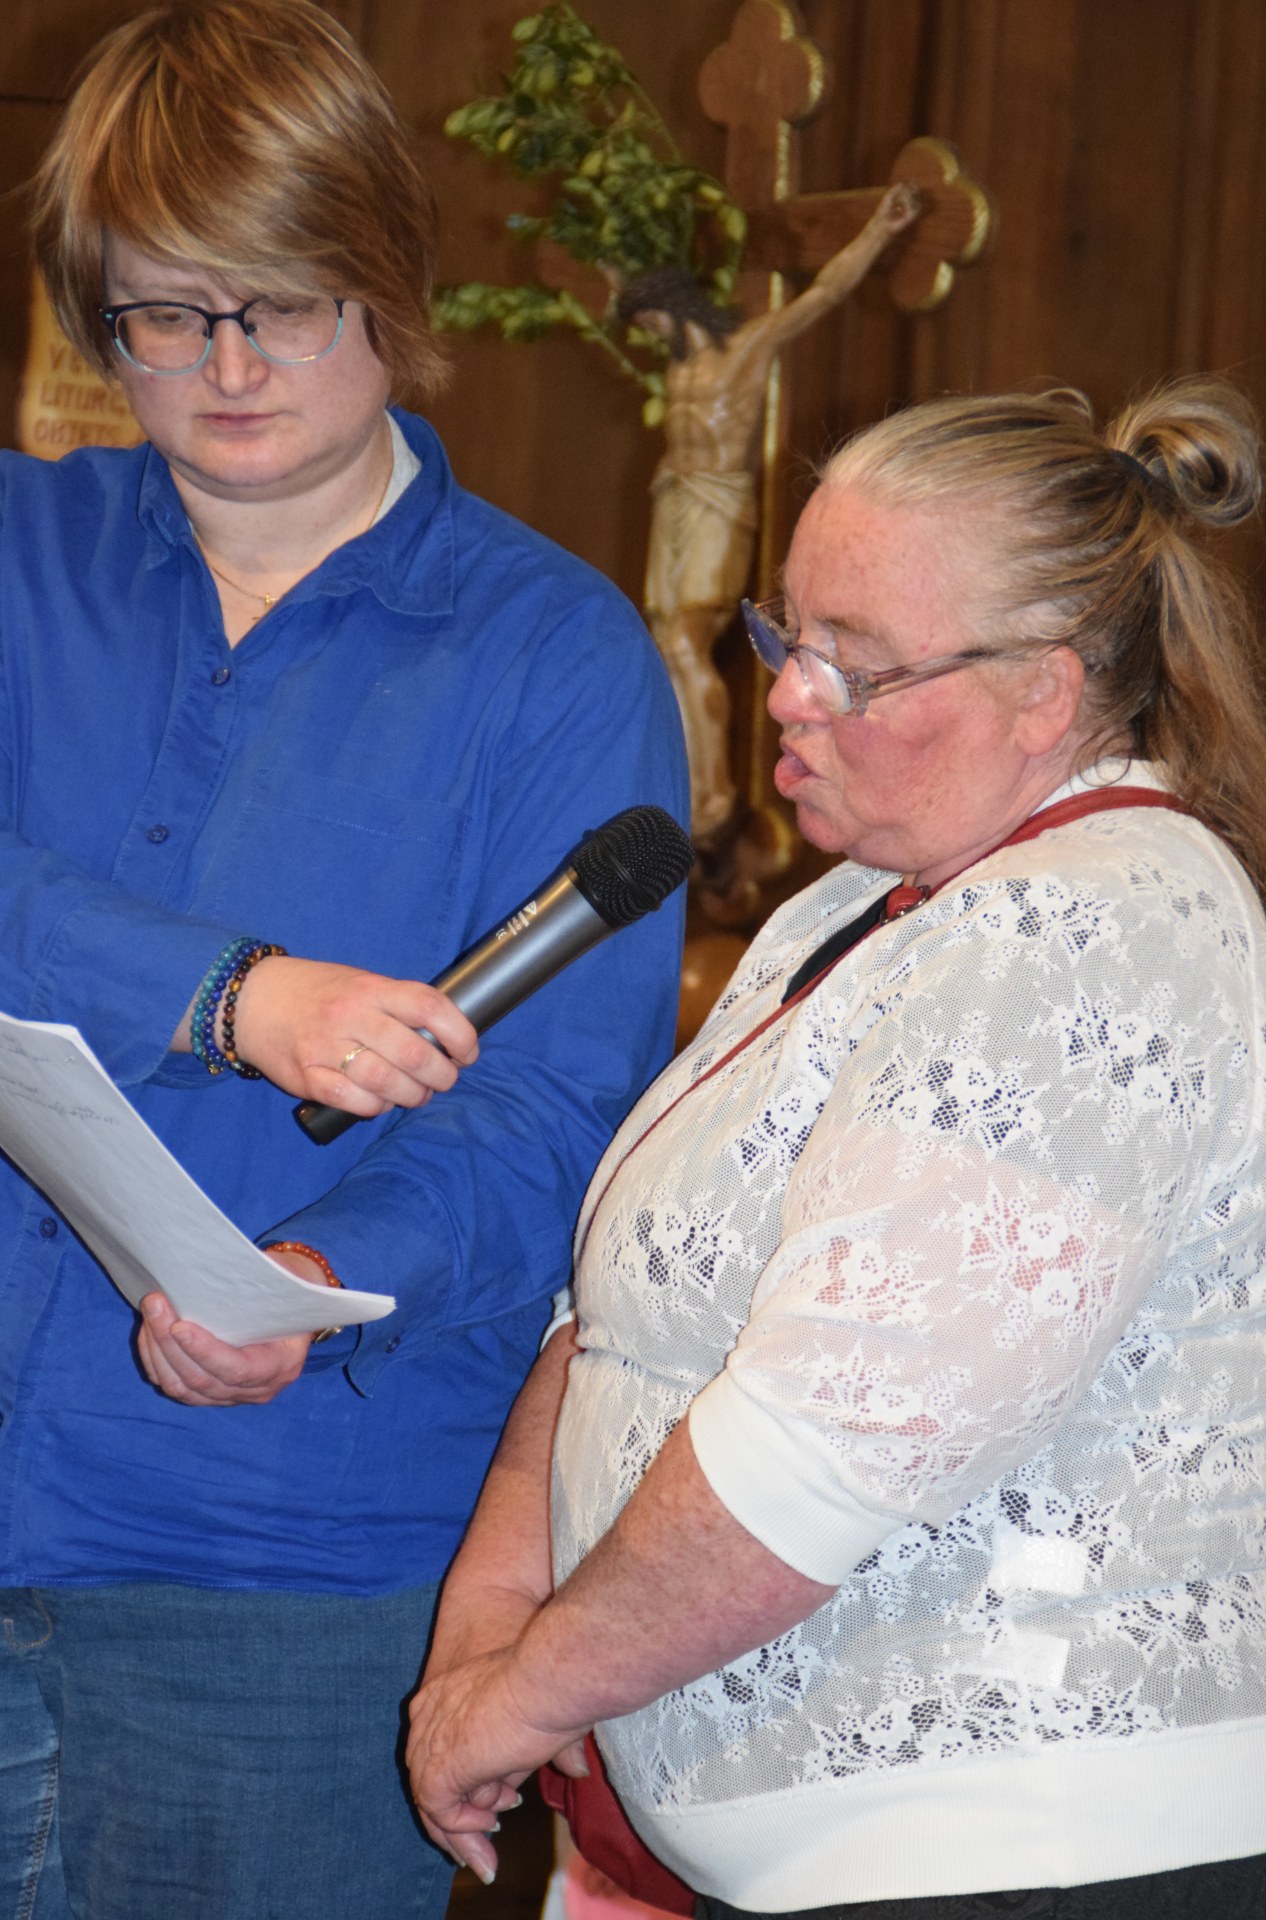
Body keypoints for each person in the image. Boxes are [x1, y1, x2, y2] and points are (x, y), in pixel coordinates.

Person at [407, 378, 1266, 1919]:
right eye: (784, 636)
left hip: (1033, 1850)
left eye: (856, 666)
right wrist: (488, 1613)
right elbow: (617, 1315)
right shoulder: (850, 905)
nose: (787, 700)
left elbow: (829, 1443)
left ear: (1045, 693)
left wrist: (524, 1691)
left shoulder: (1101, 921)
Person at [0, 5, 686, 1919]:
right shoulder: (15, 549)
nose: (224, 369)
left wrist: (314, 1276)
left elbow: (563, 1120)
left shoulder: (556, 662)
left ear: (387, 283)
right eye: (161, 314)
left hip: (282, 1581)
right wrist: (230, 993)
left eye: (282, 303)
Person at [618, 183, 920, 848]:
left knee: (688, 642)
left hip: (718, 502)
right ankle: (692, 783)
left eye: (649, 321)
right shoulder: (677, 374)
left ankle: (715, 793)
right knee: (666, 643)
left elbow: (822, 296)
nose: (648, 335)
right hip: (675, 500)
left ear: (673, 307)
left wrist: (878, 230)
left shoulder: (744, 351)